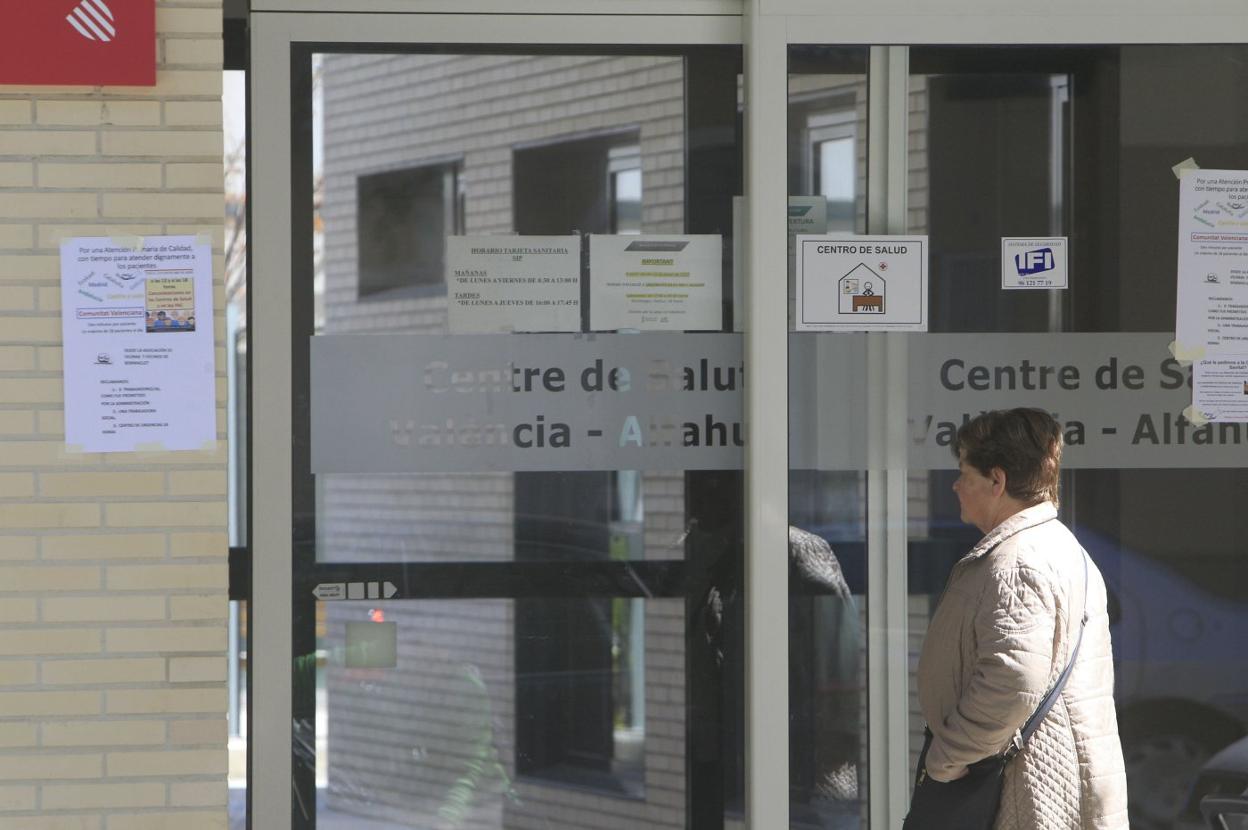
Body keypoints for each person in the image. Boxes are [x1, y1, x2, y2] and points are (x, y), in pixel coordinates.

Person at [914, 408, 1128, 829]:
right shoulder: (1055, 546)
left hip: (1029, 795)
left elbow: (1012, 680)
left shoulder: (1017, 561)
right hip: (1054, 783)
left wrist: (947, 758)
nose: (955, 486)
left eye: (964, 472)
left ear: (998, 481)